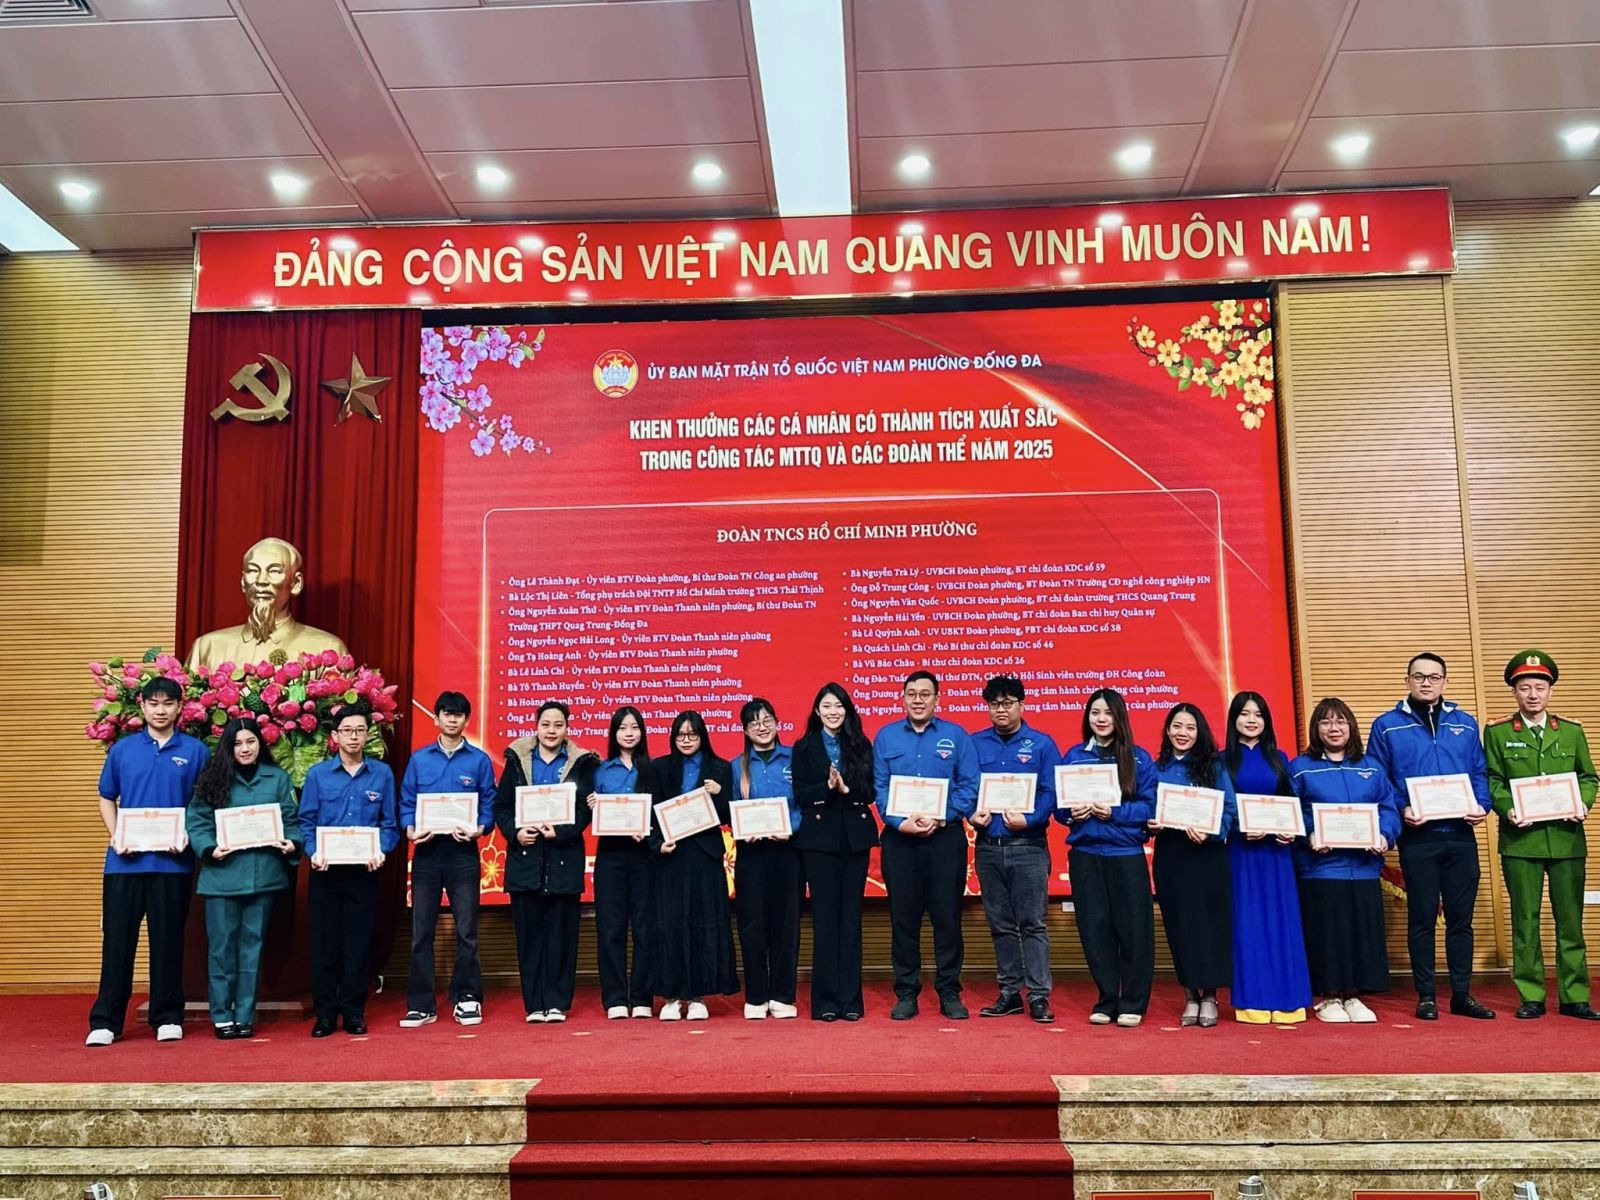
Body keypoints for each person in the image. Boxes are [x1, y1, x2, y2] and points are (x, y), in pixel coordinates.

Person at [1367, 654, 1495, 1021]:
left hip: (1460, 836)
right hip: (1418, 838)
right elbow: (1379, 777)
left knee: (1461, 920)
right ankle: (1426, 996)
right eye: (1419, 676)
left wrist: (1482, 804)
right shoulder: (1387, 726)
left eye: (1434, 677)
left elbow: (1479, 772)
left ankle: (1462, 995)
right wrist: (1402, 806)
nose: (1427, 683)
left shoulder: (1464, 723)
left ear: (1445, 682)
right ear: (1407, 680)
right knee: (1422, 918)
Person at [86, 676, 211, 1047]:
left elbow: (203, 802)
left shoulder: (195, 751)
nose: (160, 710)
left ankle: (167, 1016)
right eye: (153, 704)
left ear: (179, 708)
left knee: (168, 941)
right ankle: (106, 1021)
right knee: (117, 942)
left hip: (172, 863)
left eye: (168, 704)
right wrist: (115, 834)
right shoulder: (122, 750)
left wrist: (188, 833)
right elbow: (106, 796)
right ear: (141, 706)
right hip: (124, 863)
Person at [1485, 650, 1600, 1021]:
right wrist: (1508, 808)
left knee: (1570, 922)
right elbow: (1492, 780)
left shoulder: (1571, 731)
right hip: (1521, 842)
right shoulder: (1498, 732)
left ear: (1550, 690)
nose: (1533, 694)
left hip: (1567, 839)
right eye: (1525, 688)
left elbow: (1588, 777)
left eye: (1539, 687)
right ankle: (1531, 995)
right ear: (1514, 692)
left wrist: (1583, 802)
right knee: (1525, 921)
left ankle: (1574, 996)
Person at [873, 670, 980, 1021]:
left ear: (937, 699)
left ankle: (949, 992)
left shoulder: (957, 736)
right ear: (902, 698)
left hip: (945, 837)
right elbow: (880, 787)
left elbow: (969, 786)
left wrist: (942, 817)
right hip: (899, 839)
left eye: (925, 694)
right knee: (904, 919)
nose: (917, 700)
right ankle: (906, 992)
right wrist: (898, 821)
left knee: (947, 917)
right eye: (911, 694)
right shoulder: (886, 737)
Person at [186, 717, 300, 1039]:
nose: (245, 749)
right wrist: (210, 848)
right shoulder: (213, 778)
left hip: (263, 876)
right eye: (237, 743)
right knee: (221, 949)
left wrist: (292, 842)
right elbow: (197, 821)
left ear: (260, 744)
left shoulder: (277, 778)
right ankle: (222, 1015)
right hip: (222, 876)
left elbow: (291, 819)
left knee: (252, 948)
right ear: (228, 747)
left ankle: (244, 1015)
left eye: (251, 741)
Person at [1290, 697, 1401, 1024]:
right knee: (1329, 934)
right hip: (1322, 869)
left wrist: (1384, 835)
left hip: (1364, 869)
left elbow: (1388, 808)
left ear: (1351, 726)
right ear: (1316, 729)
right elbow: (1291, 811)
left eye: (1340, 721)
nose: (1334, 728)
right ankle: (1329, 997)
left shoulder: (1371, 767)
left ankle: (1353, 996)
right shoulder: (1300, 768)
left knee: (1360, 934)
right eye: (1326, 722)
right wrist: (1310, 834)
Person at [1055, 687, 1157, 1027]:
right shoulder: (1074, 757)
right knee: (1094, 929)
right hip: (1085, 855)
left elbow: (1150, 806)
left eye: (1108, 713)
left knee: (1134, 929)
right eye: (1095, 712)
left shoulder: (1138, 758)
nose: (1101, 719)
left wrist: (1115, 812)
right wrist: (1071, 813)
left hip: (1125, 854)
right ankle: (1107, 999)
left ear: (1120, 717)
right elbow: (1059, 808)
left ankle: (1133, 1002)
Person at [298, 701, 400, 1037]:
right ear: (335, 736)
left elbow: (389, 825)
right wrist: (313, 852)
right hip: (326, 872)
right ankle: (326, 1014)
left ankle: (354, 1011)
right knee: (325, 945)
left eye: (359, 730)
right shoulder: (318, 775)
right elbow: (306, 821)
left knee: (358, 944)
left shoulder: (382, 774)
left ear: (368, 735)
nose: (353, 736)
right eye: (347, 731)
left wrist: (381, 850)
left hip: (364, 873)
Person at [494, 701, 598, 1023]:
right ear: (536, 726)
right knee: (529, 937)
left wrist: (561, 832)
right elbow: (502, 807)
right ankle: (535, 1005)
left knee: (562, 937)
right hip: (525, 861)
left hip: (564, 859)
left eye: (558, 725)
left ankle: (557, 1003)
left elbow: (584, 810)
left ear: (567, 728)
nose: (551, 731)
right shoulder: (517, 760)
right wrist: (515, 832)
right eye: (546, 724)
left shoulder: (582, 763)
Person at [399, 691, 498, 1029]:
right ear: (436, 718)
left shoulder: (479, 761)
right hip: (426, 853)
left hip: (463, 853)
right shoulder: (419, 759)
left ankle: (467, 997)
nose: (452, 719)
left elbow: (488, 802)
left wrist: (480, 828)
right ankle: (420, 1003)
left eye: (458, 714)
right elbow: (407, 802)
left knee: (467, 930)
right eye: (446, 713)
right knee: (421, 931)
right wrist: (410, 829)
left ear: (467, 720)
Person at [969, 674, 1061, 1024]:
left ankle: (1038, 995)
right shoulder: (974, 744)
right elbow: (965, 787)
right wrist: (970, 814)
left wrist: (1031, 818)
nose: (1001, 710)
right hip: (988, 847)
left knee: (1033, 923)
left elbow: (1051, 792)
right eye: (994, 704)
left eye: (1008, 703)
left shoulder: (1042, 744)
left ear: (1021, 705)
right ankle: (1009, 992)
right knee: (1001, 924)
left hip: (1029, 846)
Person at [1223, 691, 1312, 1025]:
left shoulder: (1280, 758)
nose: (1251, 720)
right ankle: (1252, 1001)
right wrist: (1240, 828)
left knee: (1282, 922)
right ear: (1234, 719)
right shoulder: (1222, 761)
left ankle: (1289, 1001)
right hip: (1242, 853)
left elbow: (1293, 803)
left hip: (1277, 853)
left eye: (1258, 714)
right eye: (1245, 714)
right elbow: (1221, 806)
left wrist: (1292, 830)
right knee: (1248, 924)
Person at [644, 710, 739, 1020]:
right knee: (669, 923)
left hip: (705, 856)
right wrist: (657, 844)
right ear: (673, 737)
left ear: (702, 736)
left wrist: (720, 794)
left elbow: (730, 814)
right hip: (671, 855)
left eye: (692, 734)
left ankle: (699, 996)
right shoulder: (659, 767)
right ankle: (671, 997)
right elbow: (648, 813)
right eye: (681, 735)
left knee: (704, 923)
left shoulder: (720, 768)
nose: (686, 740)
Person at [792, 682, 877, 1022]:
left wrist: (846, 788)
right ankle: (825, 1001)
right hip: (818, 841)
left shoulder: (860, 744)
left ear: (847, 710)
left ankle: (851, 1000)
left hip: (854, 839)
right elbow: (800, 792)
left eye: (839, 706)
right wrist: (826, 788)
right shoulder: (804, 747)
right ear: (817, 710)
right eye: (826, 706)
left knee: (851, 920)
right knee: (825, 919)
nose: (833, 712)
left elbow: (869, 792)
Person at [1150, 703, 1236, 1028]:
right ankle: (1190, 995)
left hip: (1207, 856)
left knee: (1209, 926)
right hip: (1171, 855)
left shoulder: (1214, 766)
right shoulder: (1156, 768)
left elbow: (1229, 809)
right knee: (1179, 926)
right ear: (1167, 730)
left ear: (1200, 732)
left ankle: (1210, 996)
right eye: (1177, 726)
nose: (1182, 733)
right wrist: (1150, 823)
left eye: (1190, 727)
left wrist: (1212, 832)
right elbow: (1146, 807)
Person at [731, 698, 802, 1019]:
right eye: (754, 723)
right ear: (745, 730)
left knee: (786, 924)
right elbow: (733, 807)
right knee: (752, 925)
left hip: (788, 852)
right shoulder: (737, 766)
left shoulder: (795, 759)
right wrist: (743, 829)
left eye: (766, 720)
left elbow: (804, 804)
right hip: (751, 854)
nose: (761, 727)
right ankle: (757, 996)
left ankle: (783, 995)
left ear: (777, 722)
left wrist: (791, 828)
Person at [186, 537, 349, 670]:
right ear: (243, 582)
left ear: (296, 583)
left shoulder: (327, 650)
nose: (261, 580)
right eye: (253, 570)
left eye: (274, 571)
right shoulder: (207, 647)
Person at [589, 705, 654, 1019]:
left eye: (634, 727)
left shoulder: (653, 769)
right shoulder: (600, 771)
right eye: (622, 728)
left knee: (645, 928)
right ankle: (615, 997)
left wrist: (648, 827)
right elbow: (588, 814)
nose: (629, 733)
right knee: (610, 928)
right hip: (610, 857)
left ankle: (642, 997)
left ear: (642, 732)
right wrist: (592, 805)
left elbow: (660, 811)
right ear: (614, 733)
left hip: (644, 856)